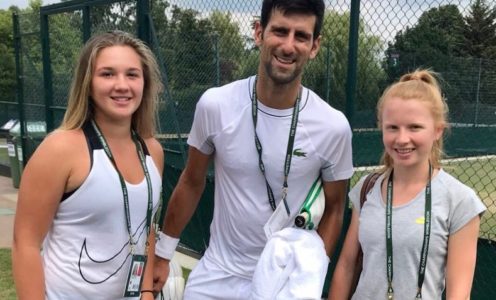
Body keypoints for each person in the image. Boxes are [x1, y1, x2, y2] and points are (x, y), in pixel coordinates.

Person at [153, 0, 354, 298]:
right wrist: (163, 253)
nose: (288, 46)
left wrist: (311, 271)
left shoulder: (333, 127)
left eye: (301, 36)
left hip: (283, 286)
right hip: (217, 276)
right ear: (259, 32)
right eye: (280, 31)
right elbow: (191, 182)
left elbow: (335, 208)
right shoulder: (215, 105)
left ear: (314, 46)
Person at [12, 30, 164, 300]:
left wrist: (147, 291)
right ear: (88, 83)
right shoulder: (60, 149)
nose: (122, 85)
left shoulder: (152, 151)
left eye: (132, 74)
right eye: (107, 74)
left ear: (145, 83)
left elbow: (146, 229)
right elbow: (25, 243)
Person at [329, 69, 487, 299]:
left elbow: (459, 294)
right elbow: (346, 266)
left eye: (414, 127)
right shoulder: (367, 188)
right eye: (392, 127)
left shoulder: (460, 201)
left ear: (437, 130)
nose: (402, 139)